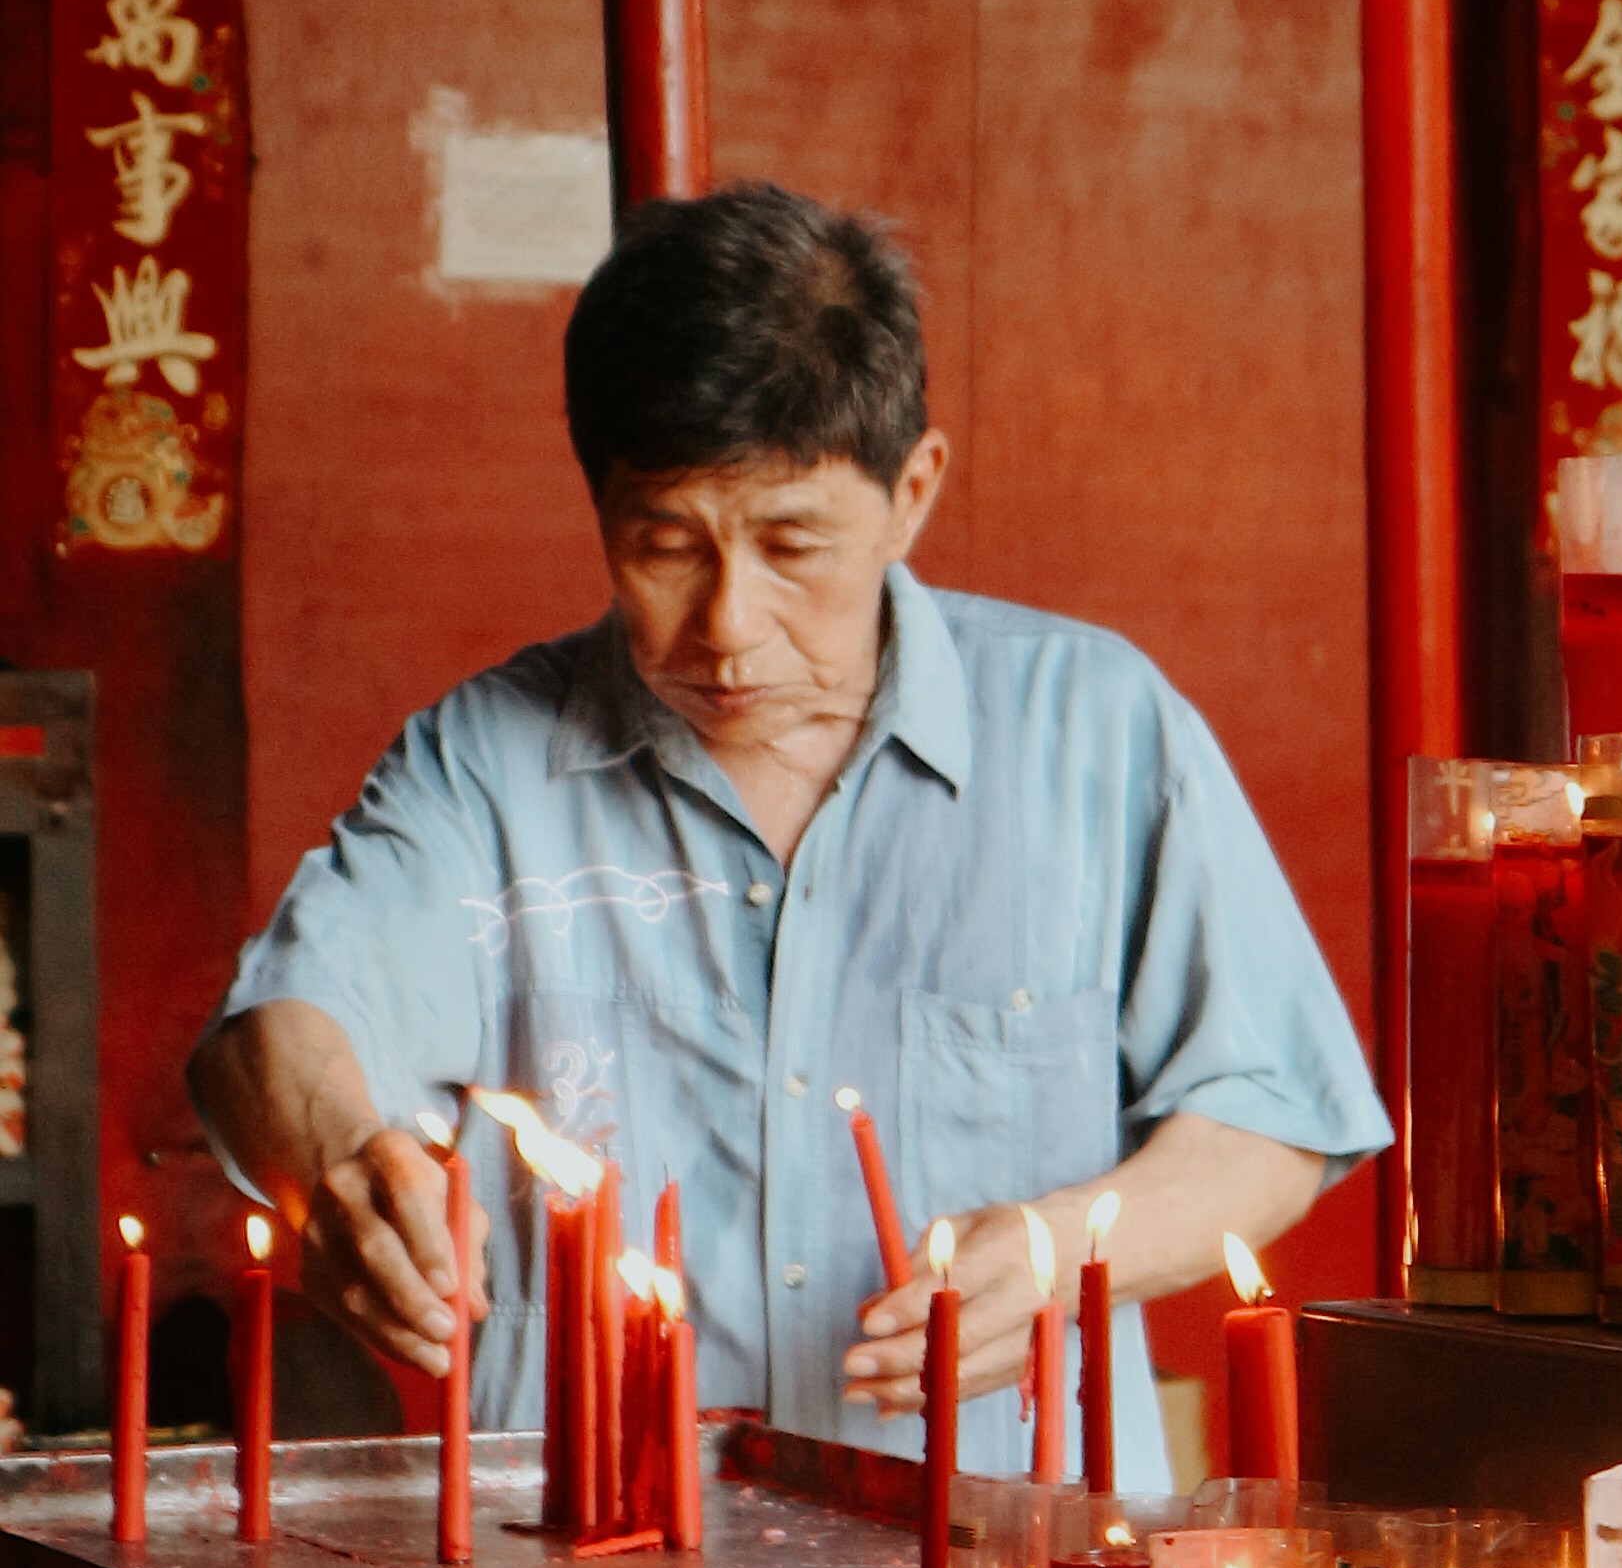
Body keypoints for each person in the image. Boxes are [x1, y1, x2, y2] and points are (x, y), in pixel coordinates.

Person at [190, 182, 1390, 1486]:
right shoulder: (492, 763)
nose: (729, 625)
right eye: (667, 546)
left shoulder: (1094, 731)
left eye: (792, 545)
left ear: (912, 490)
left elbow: (1275, 1115)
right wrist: (340, 1167)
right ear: (600, 507)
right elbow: (282, 1030)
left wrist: (1063, 1245)